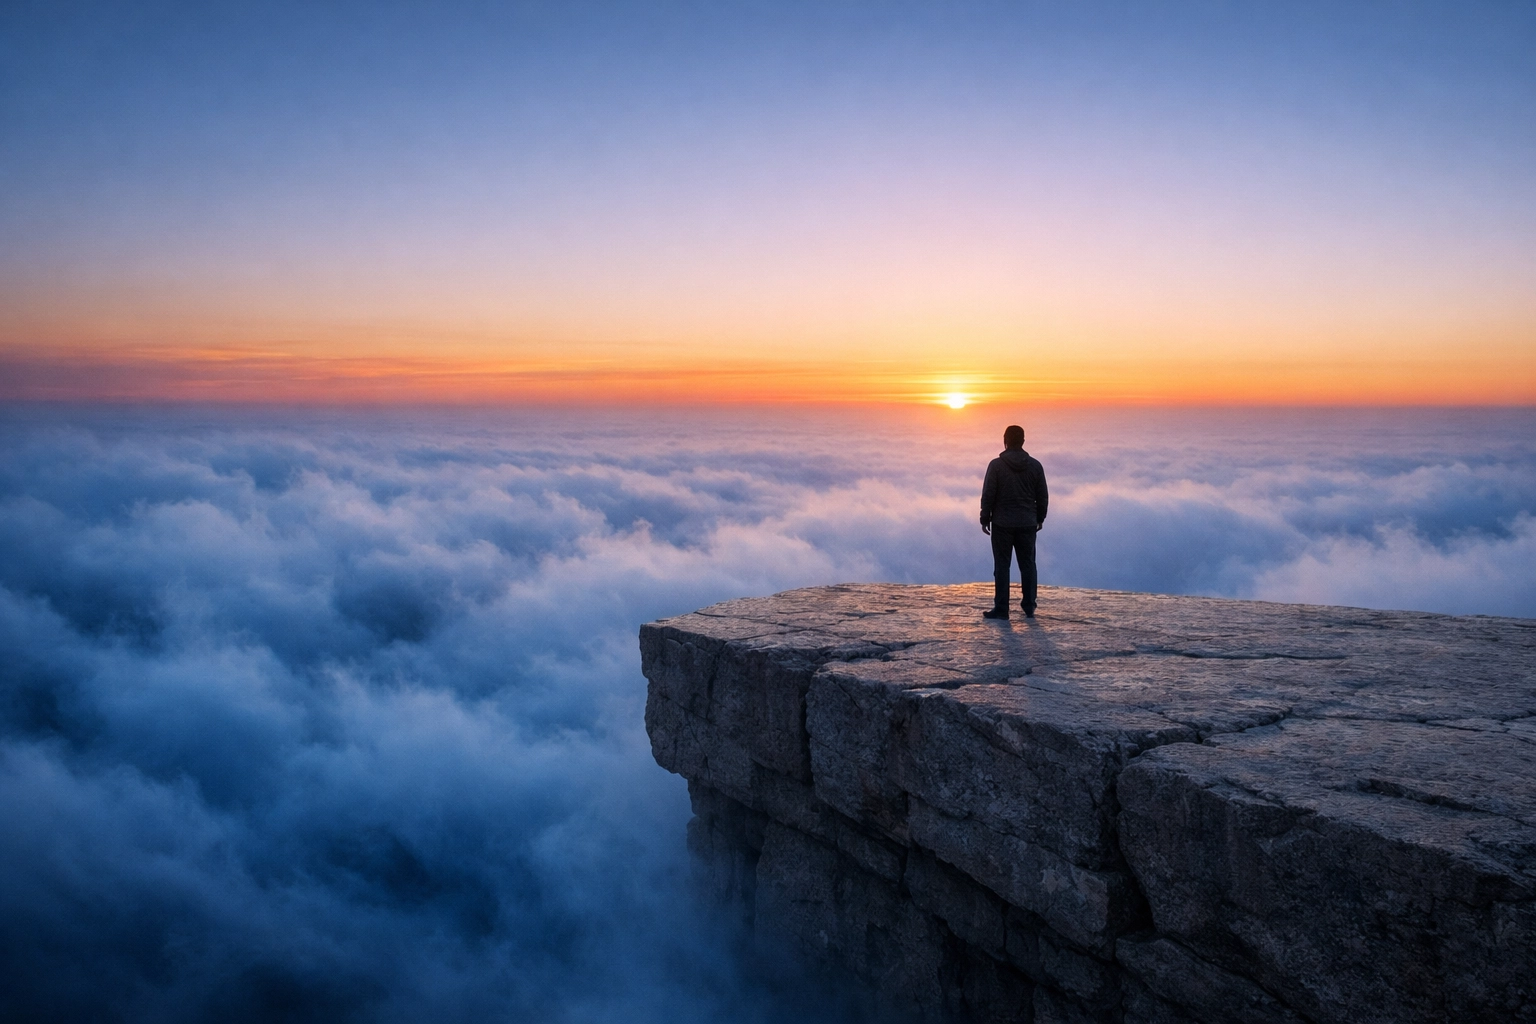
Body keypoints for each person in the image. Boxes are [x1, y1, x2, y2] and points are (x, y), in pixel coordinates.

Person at [980, 424, 1048, 620]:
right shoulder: (1035, 466)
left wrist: (985, 518)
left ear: (1005, 440)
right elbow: (1042, 496)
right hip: (1027, 523)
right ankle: (1029, 606)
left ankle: (1001, 609)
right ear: (1023, 441)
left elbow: (989, 494)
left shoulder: (996, 466)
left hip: (1002, 524)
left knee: (1002, 565)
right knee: (1028, 564)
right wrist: (1040, 518)